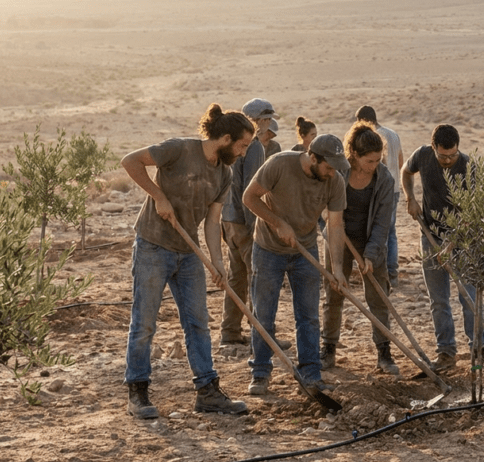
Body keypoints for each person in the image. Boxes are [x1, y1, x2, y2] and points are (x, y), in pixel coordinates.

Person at [121, 103, 254, 419]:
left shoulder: (224, 173)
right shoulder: (178, 149)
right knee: (145, 323)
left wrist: (217, 263)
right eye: (242, 145)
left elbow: (212, 221)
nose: (244, 153)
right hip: (153, 246)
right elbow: (130, 161)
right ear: (224, 138)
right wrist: (158, 195)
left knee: (197, 322)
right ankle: (137, 392)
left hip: (188, 251)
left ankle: (207, 390)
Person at [241, 134, 349, 396]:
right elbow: (249, 198)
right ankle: (261, 372)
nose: (332, 173)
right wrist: (278, 223)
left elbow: (335, 226)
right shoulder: (279, 164)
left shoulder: (334, 181)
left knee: (308, 316)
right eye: (328, 166)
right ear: (312, 157)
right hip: (268, 249)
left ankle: (311, 373)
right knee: (264, 314)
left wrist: (337, 269)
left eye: (336, 167)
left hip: (305, 250)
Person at [402, 124, 484, 373]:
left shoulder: (467, 166)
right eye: (443, 156)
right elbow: (405, 172)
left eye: (453, 155)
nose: (449, 160)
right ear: (434, 148)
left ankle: (480, 348)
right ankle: (446, 353)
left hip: (463, 240)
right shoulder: (422, 155)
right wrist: (410, 198)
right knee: (438, 300)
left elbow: (470, 213)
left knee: (468, 295)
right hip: (430, 235)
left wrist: (451, 245)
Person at [320, 120, 399, 374]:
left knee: (378, 296)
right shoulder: (338, 172)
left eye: (378, 160)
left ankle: (384, 352)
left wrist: (371, 255)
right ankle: (328, 347)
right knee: (334, 291)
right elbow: (324, 206)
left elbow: (382, 223)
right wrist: (331, 224)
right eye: (369, 161)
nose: (374, 166)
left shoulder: (384, 178)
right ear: (354, 154)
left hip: (369, 240)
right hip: (337, 236)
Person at [219, 98, 279, 346]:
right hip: (244, 221)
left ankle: (230, 332)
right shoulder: (253, 146)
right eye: (264, 119)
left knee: (236, 278)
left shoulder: (230, 141)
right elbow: (249, 191)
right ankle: (261, 336)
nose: (266, 123)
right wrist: (256, 226)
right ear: (258, 121)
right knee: (257, 277)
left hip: (227, 219)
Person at [356, 105, 404, 289]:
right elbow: (400, 161)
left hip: (379, 190)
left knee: (379, 231)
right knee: (390, 232)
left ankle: (383, 273)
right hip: (394, 189)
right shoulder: (393, 134)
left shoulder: (370, 137)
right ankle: (393, 273)